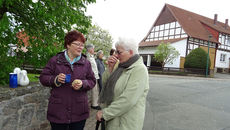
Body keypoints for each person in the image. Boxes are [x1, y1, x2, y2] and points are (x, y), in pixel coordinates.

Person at [39, 30, 96, 130]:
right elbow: (43, 77)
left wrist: (83, 83)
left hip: (79, 112)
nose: (81, 47)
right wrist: (55, 79)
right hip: (58, 112)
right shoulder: (55, 60)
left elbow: (92, 81)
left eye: (82, 45)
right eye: (77, 44)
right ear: (68, 45)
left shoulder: (86, 63)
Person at [96, 38, 149, 130]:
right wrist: (110, 68)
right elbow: (105, 83)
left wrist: (105, 113)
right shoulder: (121, 66)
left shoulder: (139, 70)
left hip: (125, 123)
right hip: (114, 120)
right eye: (116, 51)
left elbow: (128, 99)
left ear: (131, 52)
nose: (116, 55)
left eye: (119, 52)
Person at [86, 44, 101, 110]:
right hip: (92, 76)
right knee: (93, 91)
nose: (93, 50)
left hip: (95, 76)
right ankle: (94, 104)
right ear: (90, 49)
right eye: (93, 48)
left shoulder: (91, 56)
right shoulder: (88, 57)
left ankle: (95, 103)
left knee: (95, 91)